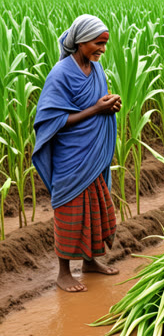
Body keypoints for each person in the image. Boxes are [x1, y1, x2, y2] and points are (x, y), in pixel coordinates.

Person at [32, 15, 122, 293]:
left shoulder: (95, 69)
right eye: (98, 44)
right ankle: (63, 272)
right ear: (81, 42)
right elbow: (52, 119)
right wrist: (97, 110)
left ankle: (90, 261)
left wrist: (109, 104)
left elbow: (97, 101)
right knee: (70, 211)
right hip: (71, 155)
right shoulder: (60, 73)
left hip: (93, 154)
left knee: (96, 209)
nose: (102, 50)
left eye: (105, 44)